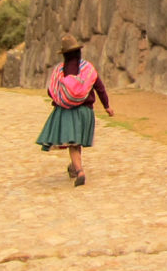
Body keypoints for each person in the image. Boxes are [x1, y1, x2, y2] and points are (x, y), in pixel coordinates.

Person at [35, 34, 113, 186]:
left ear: (64, 54)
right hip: (85, 112)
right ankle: (74, 167)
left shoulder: (60, 71)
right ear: (78, 52)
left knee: (73, 144)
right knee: (76, 143)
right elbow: (100, 88)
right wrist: (107, 106)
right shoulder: (87, 69)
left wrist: (62, 98)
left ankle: (79, 171)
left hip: (68, 112)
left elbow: (51, 91)